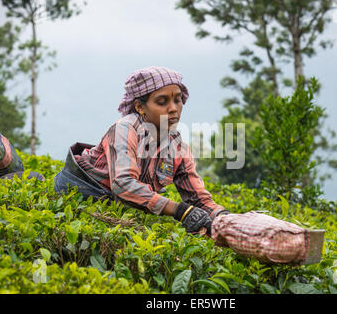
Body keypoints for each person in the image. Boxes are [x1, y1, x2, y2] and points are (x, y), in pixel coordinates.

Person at [54, 66, 230, 235]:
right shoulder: (125, 129)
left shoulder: (178, 146)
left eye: (177, 100)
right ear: (139, 107)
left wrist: (223, 217)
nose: (173, 108)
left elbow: (199, 199)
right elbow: (123, 183)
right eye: (162, 102)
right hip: (82, 195)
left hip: (119, 210)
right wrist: (179, 210)